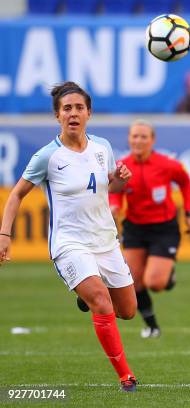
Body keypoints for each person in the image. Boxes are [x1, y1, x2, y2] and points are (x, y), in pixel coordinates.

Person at [0, 82, 139, 391]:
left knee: (128, 310)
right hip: (69, 244)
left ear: (88, 113)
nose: (73, 113)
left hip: (105, 241)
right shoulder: (47, 156)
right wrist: (4, 234)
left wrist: (119, 180)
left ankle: (84, 297)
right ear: (57, 116)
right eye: (67, 109)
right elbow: (16, 196)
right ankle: (125, 376)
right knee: (102, 301)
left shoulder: (102, 147)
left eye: (79, 108)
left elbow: (108, 188)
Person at [109, 120, 190, 338]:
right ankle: (152, 326)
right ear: (129, 139)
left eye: (143, 136)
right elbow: (115, 191)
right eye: (134, 136)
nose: (138, 140)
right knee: (131, 283)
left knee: (155, 283)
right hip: (135, 228)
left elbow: (185, 182)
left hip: (163, 228)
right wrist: (115, 207)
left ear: (152, 140)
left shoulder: (167, 164)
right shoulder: (122, 166)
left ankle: (167, 276)